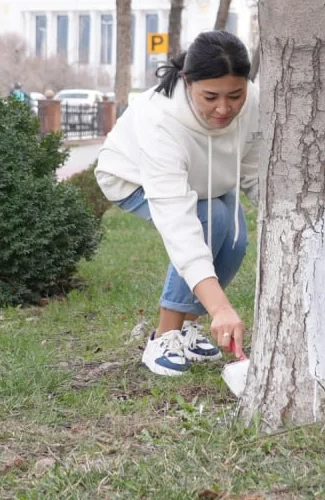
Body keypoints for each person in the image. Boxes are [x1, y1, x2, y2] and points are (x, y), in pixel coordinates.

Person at [95, 31, 260, 376]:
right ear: (187, 82)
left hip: (205, 182)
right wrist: (221, 308)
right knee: (207, 220)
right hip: (132, 178)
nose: (224, 108)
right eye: (211, 96)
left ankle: (187, 327)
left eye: (235, 95)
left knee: (235, 239)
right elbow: (179, 227)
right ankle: (165, 335)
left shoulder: (255, 103)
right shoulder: (161, 120)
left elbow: (254, 171)